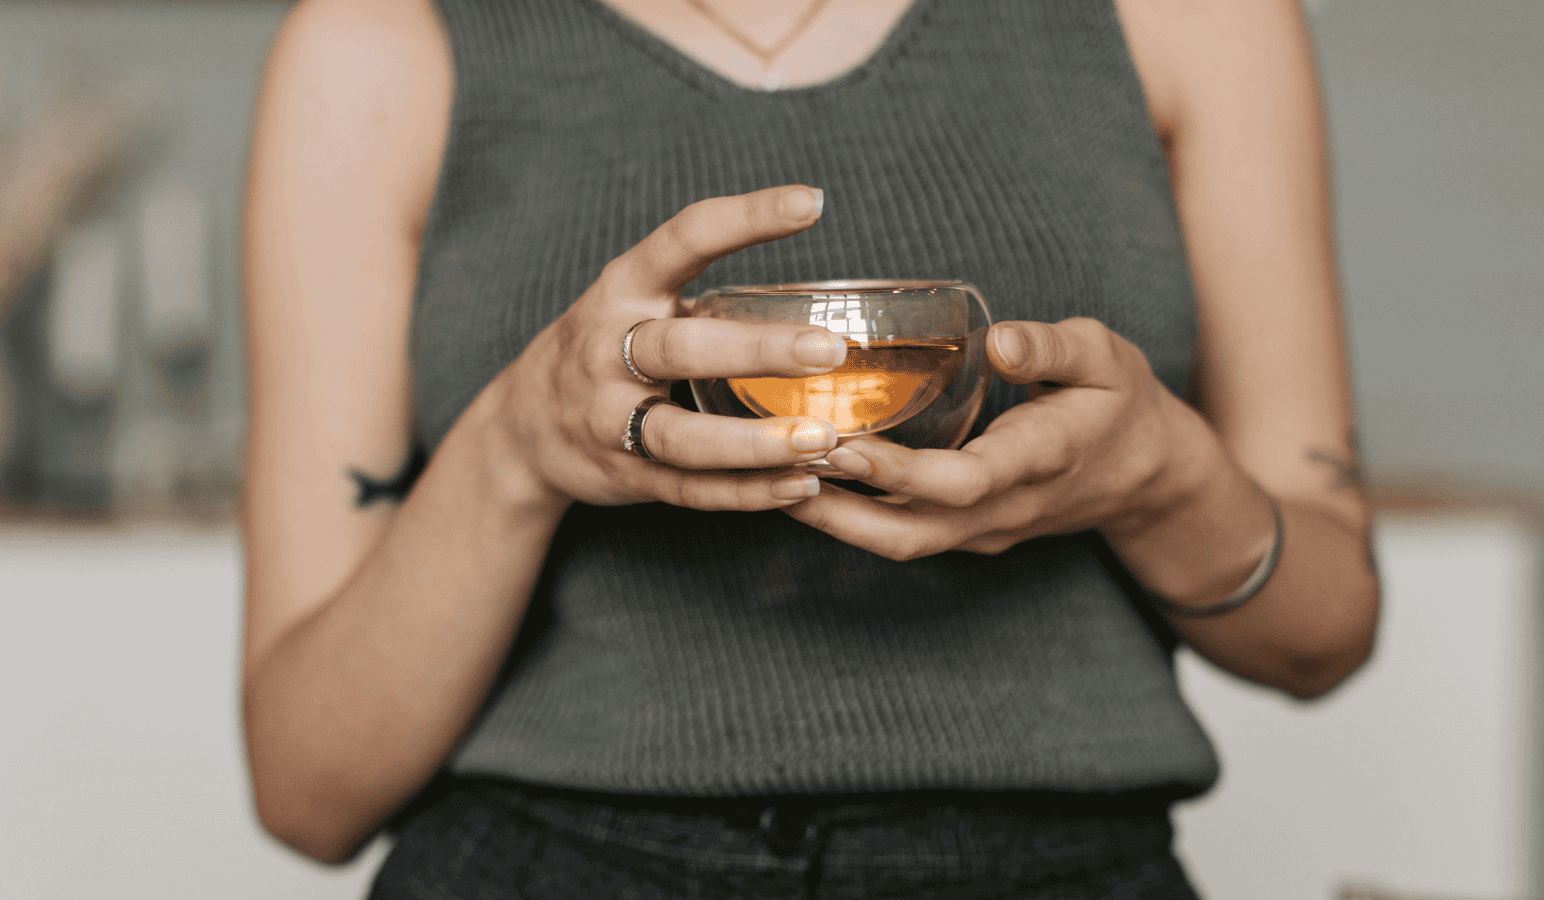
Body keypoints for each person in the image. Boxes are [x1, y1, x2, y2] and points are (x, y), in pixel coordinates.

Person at [240, 0, 1380, 896]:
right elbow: (308, 790)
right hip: (537, 862)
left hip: (1066, 871)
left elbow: (1321, 638)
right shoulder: (378, 48)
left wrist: (1159, 480)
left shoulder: (1195, 17)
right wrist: (515, 448)